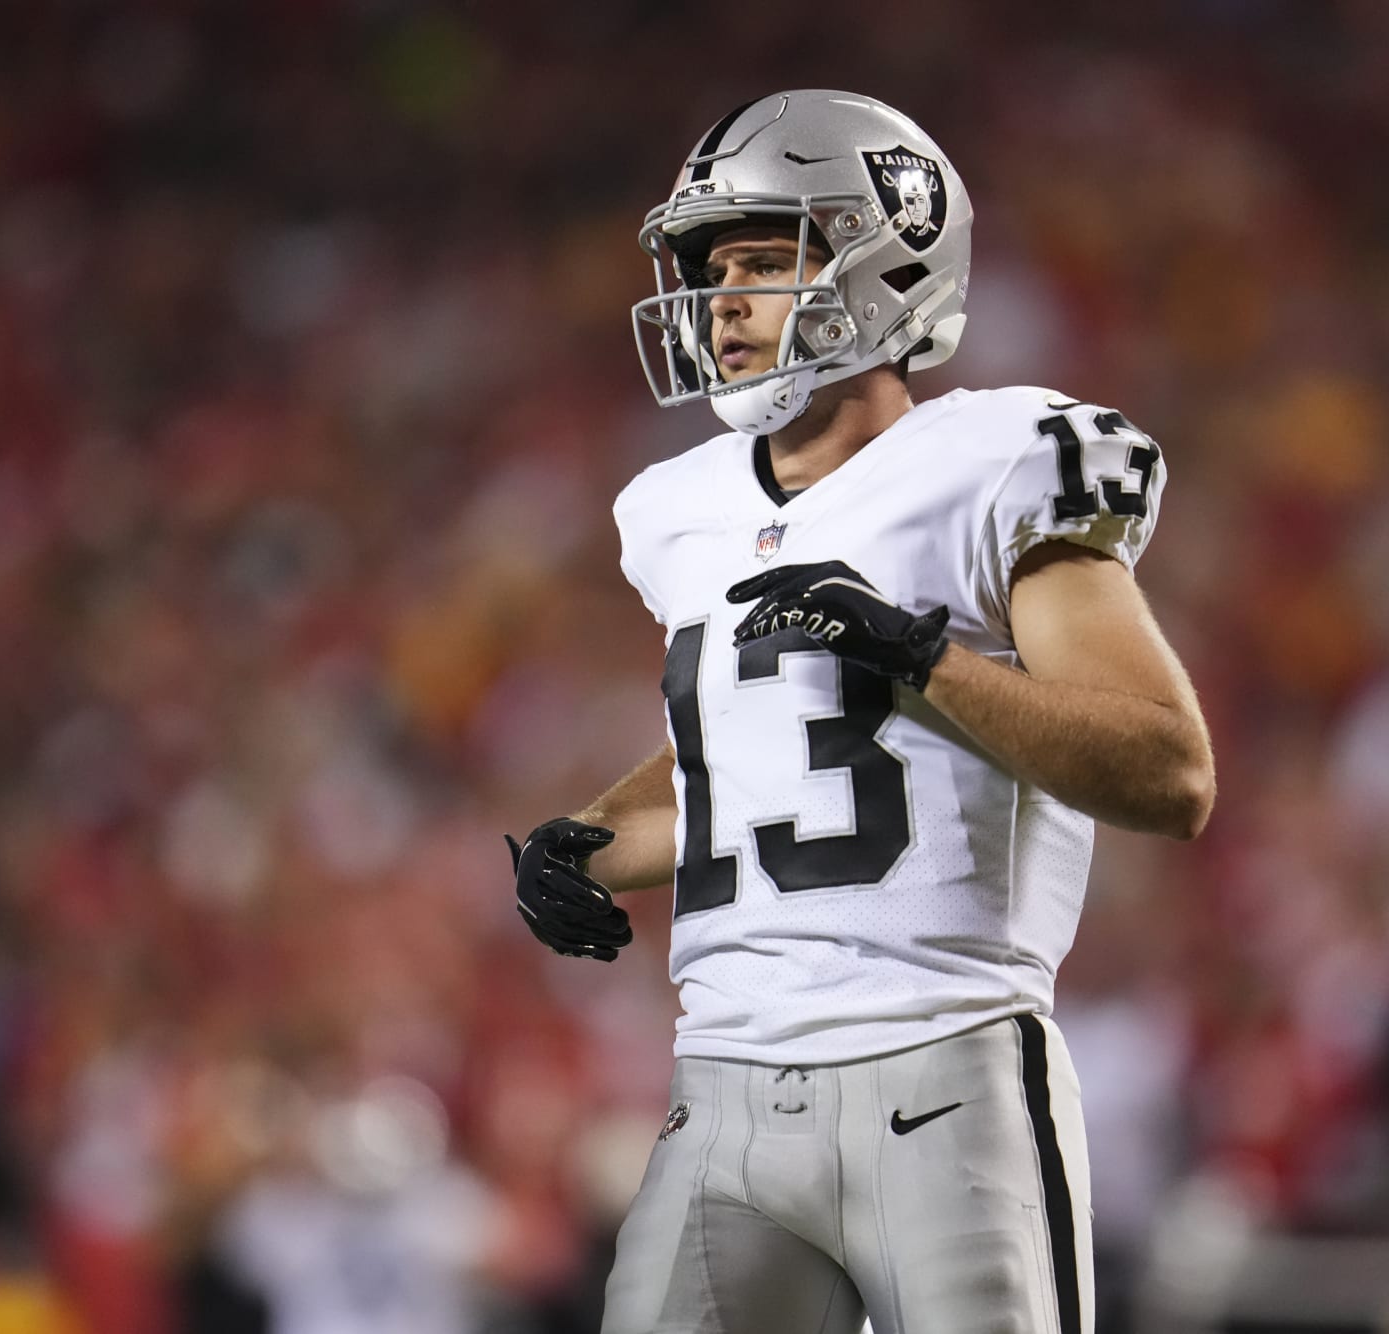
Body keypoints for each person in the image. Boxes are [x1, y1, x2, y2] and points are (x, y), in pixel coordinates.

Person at [505, 89, 1215, 1334]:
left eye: (764, 257)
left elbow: (1167, 769)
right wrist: (585, 844)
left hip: (942, 1074)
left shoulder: (992, 461)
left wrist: (915, 653)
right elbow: (753, 759)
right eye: (711, 264)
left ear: (884, 255)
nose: (720, 299)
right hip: (719, 1089)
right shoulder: (680, 512)